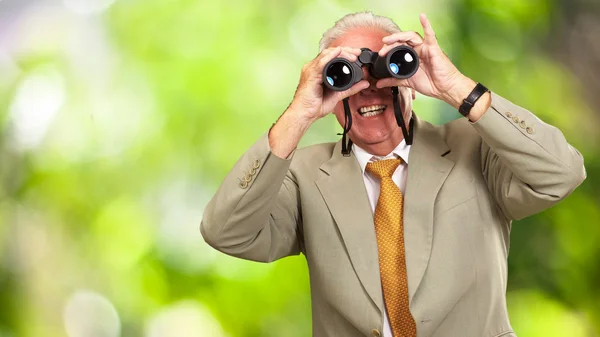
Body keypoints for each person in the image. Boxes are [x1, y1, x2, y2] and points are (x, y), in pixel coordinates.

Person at [200, 11, 586, 337]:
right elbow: (226, 232)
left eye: (386, 69)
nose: (369, 89)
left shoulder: (475, 146)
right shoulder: (303, 174)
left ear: (411, 84)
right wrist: (298, 113)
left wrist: (456, 89)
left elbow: (562, 174)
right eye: (348, 75)